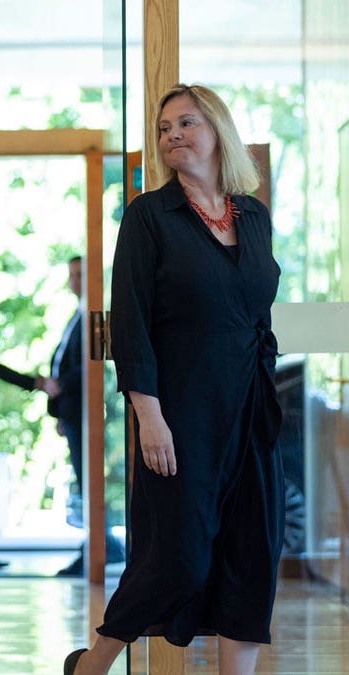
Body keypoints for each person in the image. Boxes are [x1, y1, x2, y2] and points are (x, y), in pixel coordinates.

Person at [65, 84, 283, 675]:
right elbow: (130, 323)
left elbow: (258, 314)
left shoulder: (254, 216)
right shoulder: (148, 217)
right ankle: (94, 661)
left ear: (217, 130)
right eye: (164, 128)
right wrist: (149, 415)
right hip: (181, 412)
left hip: (251, 410)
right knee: (178, 559)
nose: (172, 136)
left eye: (186, 123)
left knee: (252, 553)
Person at [46, 256, 125, 577]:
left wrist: (60, 385)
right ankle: (102, 545)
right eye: (72, 274)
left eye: (81, 274)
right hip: (73, 413)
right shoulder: (77, 316)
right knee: (84, 481)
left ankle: (99, 549)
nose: (75, 280)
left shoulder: (96, 318)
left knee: (90, 482)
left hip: (89, 413)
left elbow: (93, 365)